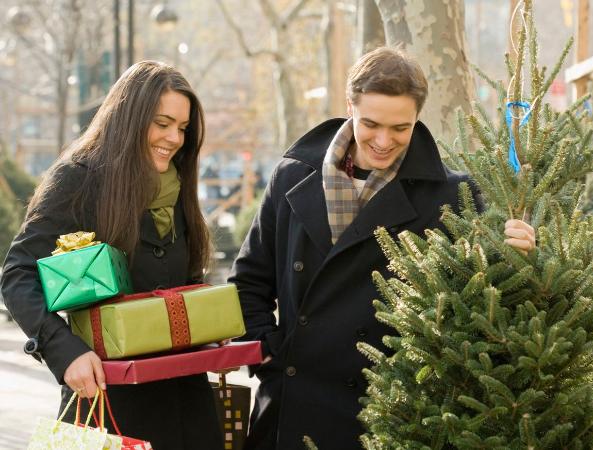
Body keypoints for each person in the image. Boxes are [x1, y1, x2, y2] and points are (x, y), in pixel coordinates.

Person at [229, 47, 536, 450]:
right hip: (291, 405)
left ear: (417, 120)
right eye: (370, 123)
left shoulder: (452, 195)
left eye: (400, 128)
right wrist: (268, 351)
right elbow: (249, 281)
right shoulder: (292, 176)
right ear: (349, 105)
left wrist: (521, 251)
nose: (383, 141)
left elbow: (485, 296)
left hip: (385, 416)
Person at [1, 61, 222, 449]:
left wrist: (208, 334)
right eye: (162, 123)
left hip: (187, 407)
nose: (174, 137)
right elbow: (18, 275)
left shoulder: (178, 187)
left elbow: (178, 285)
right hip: (107, 405)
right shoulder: (79, 178)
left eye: (183, 128)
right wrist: (65, 352)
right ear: (130, 119)